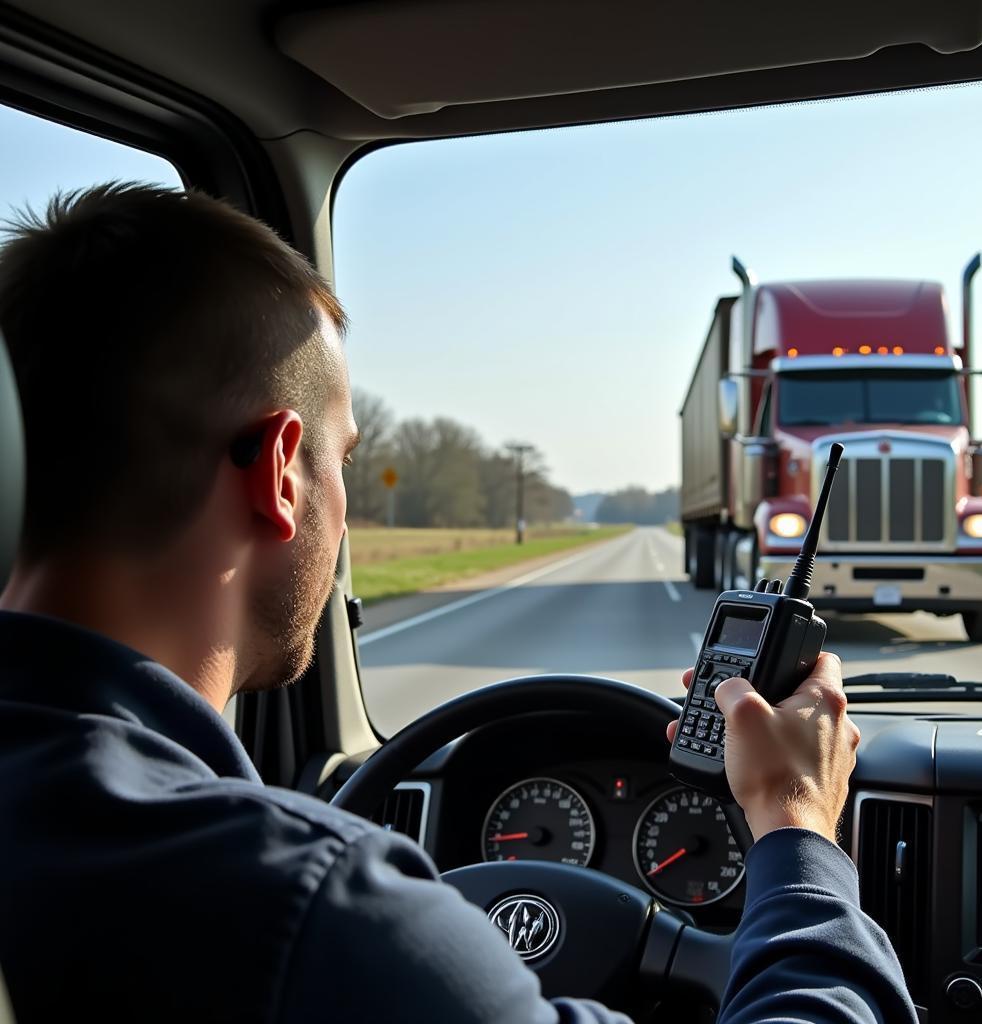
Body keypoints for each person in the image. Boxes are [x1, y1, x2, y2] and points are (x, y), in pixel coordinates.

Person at [0, 184, 916, 1024]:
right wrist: (797, 827)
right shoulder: (316, 911)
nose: (345, 499)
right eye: (344, 460)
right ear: (283, 473)